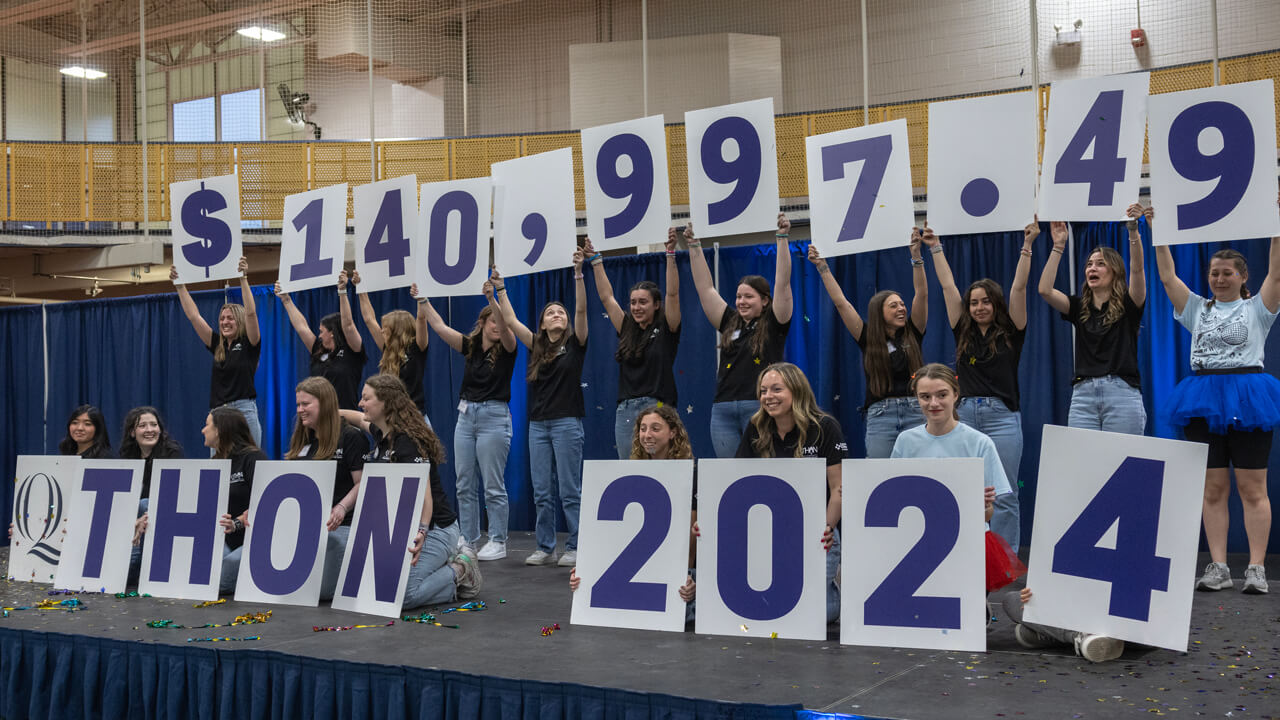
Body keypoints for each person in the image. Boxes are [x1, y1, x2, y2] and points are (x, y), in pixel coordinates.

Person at [1154, 201, 1280, 595]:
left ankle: (1256, 568)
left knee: (1252, 488)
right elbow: (1168, 276)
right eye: (1214, 273)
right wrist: (1157, 230)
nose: (1219, 279)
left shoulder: (1257, 308)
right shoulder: (1196, 309)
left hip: (1248, 398)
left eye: (1227, 273)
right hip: (1203, 398)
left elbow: (1277, 272)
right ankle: (1219, 565)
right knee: (1211, 489)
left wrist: (1276, 225)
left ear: (1244, 277)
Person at [925, 220, 1038, 552]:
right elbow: (947, 287)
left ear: (996, 303)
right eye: (974, 302)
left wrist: (1027, 246)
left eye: (986, 301)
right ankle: (958, 552)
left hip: (1003, 418)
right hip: (966, 418)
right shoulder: (962, 329)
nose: (979, 307)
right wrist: (935, 247)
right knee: (961, 488)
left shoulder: (1014, 329)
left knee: (1003, 493)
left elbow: (1019, 287)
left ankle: (1002, 562)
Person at [344, 374, 481, 608]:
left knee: (404, 596)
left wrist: (422, 531)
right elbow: (357, 418)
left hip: (435, 529)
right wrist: (327, 411)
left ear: (386, 402)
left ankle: (461, 568)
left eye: (366, 398)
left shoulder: (407, 443)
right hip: (401, 529)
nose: (361, 403)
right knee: (375, 589)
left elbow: (425, 495)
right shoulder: (382, 433)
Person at [890, 363, 1023, 595]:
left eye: (942, 395)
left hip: (967, 543)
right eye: (925, 396)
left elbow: (988, 515)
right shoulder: (905, 441)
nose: (934, 403)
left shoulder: (979, 442)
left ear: (956, 394)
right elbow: (894, 500)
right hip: (916, 544)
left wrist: (982, 505)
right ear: (917, 399)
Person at [492, 249, 588, 567]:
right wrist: (501, 289)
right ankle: (546, 546)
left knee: (570, 490)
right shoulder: (536, 345)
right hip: (538, 425)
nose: (557, 315)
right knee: (542, 491)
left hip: (566, 423)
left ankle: (574, 545)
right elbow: (509, 320)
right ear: (543, 324)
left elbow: (583, 310)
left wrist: (577, 273)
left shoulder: (575, 345)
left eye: (561, 312)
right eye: (551, 313)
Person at [735, 362, 844, 622]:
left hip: (815, 531)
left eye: (776, 389)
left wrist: (827, 528)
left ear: (796, 391)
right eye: (763, 391)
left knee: (814, 616)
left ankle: (832, 597)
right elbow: (738, 484)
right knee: (771, 609)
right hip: (767, 531)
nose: (768, 397)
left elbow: (838, 489)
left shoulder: (825, 427)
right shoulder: (756, 427)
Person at [808, 226, 929, 457]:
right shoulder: (867, 337)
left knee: (919, 477)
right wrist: (822, 267)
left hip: (916, 411)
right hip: (880, 416)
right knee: (880, 478)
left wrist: (916, 256)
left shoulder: (914, 332)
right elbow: (841, 302)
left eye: (902, 304)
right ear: (878, 311)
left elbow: (921, 293)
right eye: (893, 305)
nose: (901, 308)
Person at [569, 404, 697, 618]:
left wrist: (686, 575)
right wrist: (589, 570)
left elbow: (691, 538)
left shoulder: (690, 475)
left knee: (685, 609)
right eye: (643, 429)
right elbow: (614, 535)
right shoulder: (628, 475)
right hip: (639, 567)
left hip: (674, 566)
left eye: (655, 428)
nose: (647, 435)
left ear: (673, 432)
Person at [420, 279, 517, 561]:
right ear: (483, 324)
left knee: (492, 484)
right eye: (492, 323)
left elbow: (507, 326)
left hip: (494, 417)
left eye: (499, 322)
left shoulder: (508, 350)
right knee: (464, 482)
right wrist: (423, 301)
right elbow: (439, 327)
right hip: (466, 417)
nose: (497, 327)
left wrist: (492, 300)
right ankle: (470, 538)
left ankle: (498, 539)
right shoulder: (471, 347)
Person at [686, 215, 794, 458]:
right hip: (722, 409)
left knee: (763, 471)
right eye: (738, 297)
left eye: (749, 297)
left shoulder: (775, 322)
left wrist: (783, 237)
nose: (741, 302)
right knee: (730, 476)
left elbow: (782, 283)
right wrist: (693, 245)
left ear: (765, 300)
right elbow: (706, 289)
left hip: (759, 406)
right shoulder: (729, 322)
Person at [1038, 205, 1148, 434]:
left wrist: (1133, 232)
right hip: (1083, 397)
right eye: (1089, 264)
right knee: (1085, 465)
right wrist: (1058, 246)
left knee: (1120, 460)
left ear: (1115, 271)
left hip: (1121, 393)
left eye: (1100, 264)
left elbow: (1137, 270)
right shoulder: (1079, 307)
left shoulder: (1130, 305)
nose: (1092, 268)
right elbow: (1045, 290)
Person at [585, 231, 682, 459]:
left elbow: (673, 294)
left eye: (643, 302)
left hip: (658, 407)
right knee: (630, 471)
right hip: (626, 411)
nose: (637, 307)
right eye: (633, 303)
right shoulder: (626, 327)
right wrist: (596, 260)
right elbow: (607, 298)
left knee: (660, 467)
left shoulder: (668, 327)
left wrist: (670, 254)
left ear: (657, 304)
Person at [284, 376, 370, 600]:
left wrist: (341, 508)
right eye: (298, 405)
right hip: (307, 529)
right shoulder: (302, 442)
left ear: (324, 403)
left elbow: (364, 484)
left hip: (341, 528)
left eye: (306, 404)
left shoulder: (351, 437)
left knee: (319, 591)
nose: (300, 410)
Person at [171, 256, 264, 447]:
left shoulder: (250, 343)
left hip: (243, 411)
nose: (225, 322)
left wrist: (243, 278)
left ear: (239, 321)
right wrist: (179, 285)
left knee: (250, 462)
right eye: (222, 318)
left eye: (230, 318)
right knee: (218, 470)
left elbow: (251, 313)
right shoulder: (217, 344)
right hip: (218, 415)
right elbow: (194, 316)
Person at [276, 270, 367, 410]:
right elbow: (302, 328)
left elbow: (348, 325)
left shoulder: (352, 350)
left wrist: (342, 292)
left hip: (344, 417)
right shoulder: (319, 349)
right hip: (319, 418)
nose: (318, 335)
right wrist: (286, 299)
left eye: (321, 331)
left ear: (332, 333)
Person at [205, 407, 268, 595]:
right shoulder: (214, 463)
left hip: (251, 540)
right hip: (222, 540)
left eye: (207, 425)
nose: (203, 430)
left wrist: (237, 523)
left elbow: (266, 504)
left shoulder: (253, 458)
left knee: (221, 580)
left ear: (220, 430)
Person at [352, 271, 431, 420]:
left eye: (385, 329)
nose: (381, 331)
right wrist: (361, 287)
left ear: (397, 331)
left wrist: (421, 295)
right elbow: (369, 319)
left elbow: (421, 319)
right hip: (391, 416)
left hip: (414, 418)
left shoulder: (417, 347)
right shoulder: (388, 349)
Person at [1003, 587, 1125, 663]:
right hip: (1075, 607)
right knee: (1012, 599)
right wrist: (1033, 597)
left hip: (1122, 616)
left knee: (1139, 635)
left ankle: (1074, 637)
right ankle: (1081, 637)